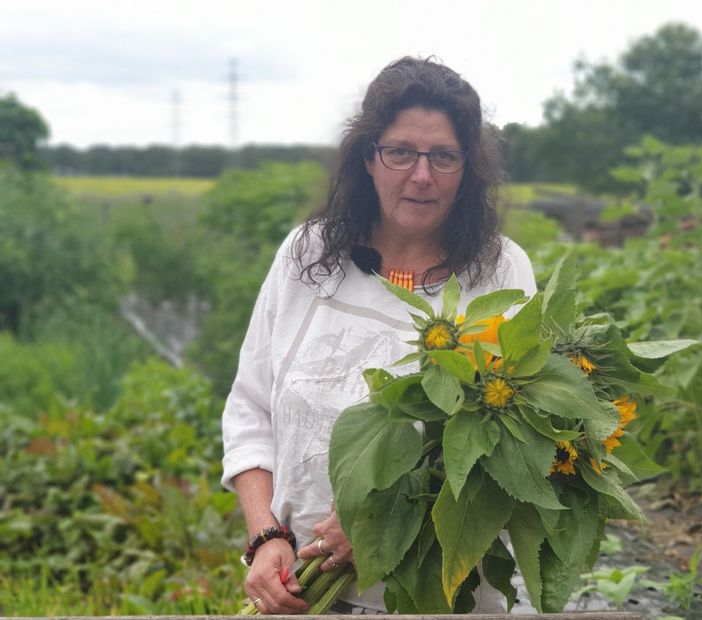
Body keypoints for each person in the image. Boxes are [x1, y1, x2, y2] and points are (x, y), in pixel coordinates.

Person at [220, 57, 537, 615]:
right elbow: (250, 409)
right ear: (368, 158)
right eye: (400, 152)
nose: (422, 175)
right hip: (299, 588)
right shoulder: (308, 256)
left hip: (441, 595)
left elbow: (511, 444)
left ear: (468, 170)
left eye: (444, 156)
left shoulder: (500, 274)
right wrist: (266, 537)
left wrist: (378, 519)